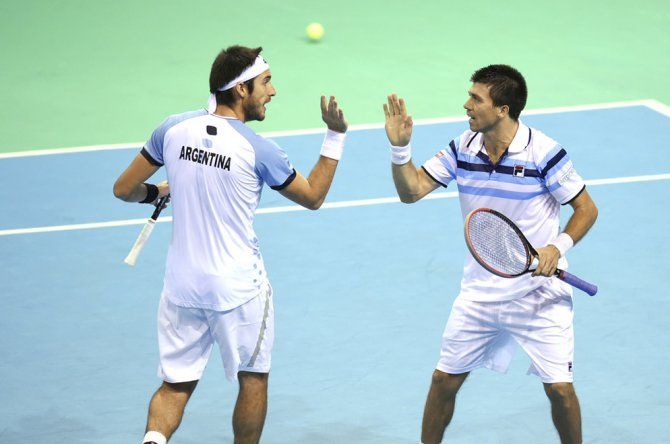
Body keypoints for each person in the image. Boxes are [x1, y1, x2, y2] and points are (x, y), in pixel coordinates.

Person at [113, 45, 348, 444]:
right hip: (238, 289)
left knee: (175, 385)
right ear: (241, 90)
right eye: (266, 82)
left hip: (181, 286)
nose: (272, 91)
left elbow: (124, 189)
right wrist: (335, 136)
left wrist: (156, 193)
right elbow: (313, 197)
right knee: (253, 377)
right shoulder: (259, 149)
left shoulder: (171, 129)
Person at [383, 65, 598, 444]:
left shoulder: (543, 152)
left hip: (538, 293)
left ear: (502, 109)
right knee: (443, 381)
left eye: (475, 98)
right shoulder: (461, 148)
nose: (466, 105)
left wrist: (556, 247)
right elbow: (411, 191)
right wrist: (401, 150)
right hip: (480, 292)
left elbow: (586, 209)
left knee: (560, 390)